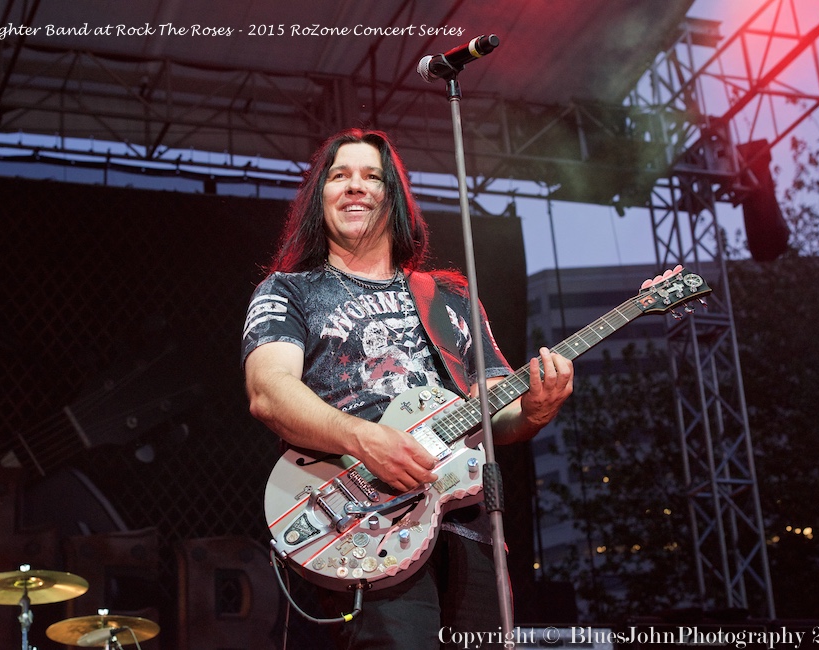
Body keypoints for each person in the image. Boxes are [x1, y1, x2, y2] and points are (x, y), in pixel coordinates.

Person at [241, 128, 575, 648]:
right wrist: (363, 439)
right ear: (319, 198)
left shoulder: (450, 297)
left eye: (372, 176)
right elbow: (269, 391)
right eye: (339, 176)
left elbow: (494, 413)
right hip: (362, 524)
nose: (355, 186)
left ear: (393, 197)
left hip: (468, 527)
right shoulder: (289, 291)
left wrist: (535, 411)